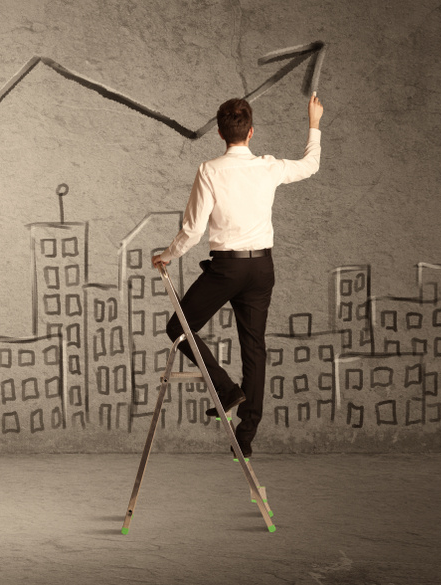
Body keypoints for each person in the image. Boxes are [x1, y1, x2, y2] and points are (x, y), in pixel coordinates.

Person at [151, 93, 324, 458]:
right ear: (251, 132)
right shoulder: (268, 166)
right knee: (254, 347)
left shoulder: (210, 171)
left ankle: (226, 389)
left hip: (227, 268)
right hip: (261, 268)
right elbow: (310, 165)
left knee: (177, 328)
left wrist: (166, 256)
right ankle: (246, 434)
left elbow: (193, 230)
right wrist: (313, 123)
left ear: (219, 133)